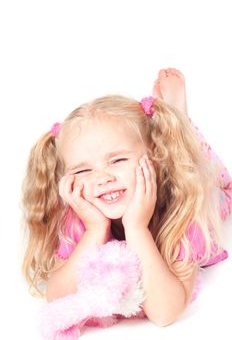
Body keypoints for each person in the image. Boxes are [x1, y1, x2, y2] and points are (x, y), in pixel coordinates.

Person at [22, 68, 232, 327]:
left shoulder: (182, 207)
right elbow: (57, 297)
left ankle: (180, 119)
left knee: (206, 177)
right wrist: (94, 230)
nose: (102, 178)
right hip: (103, 217)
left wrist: (137, 227)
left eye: (118, 160)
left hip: (202, 191)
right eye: (83, 170)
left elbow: (164, 314)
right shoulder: (79, 214)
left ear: (154, 157)